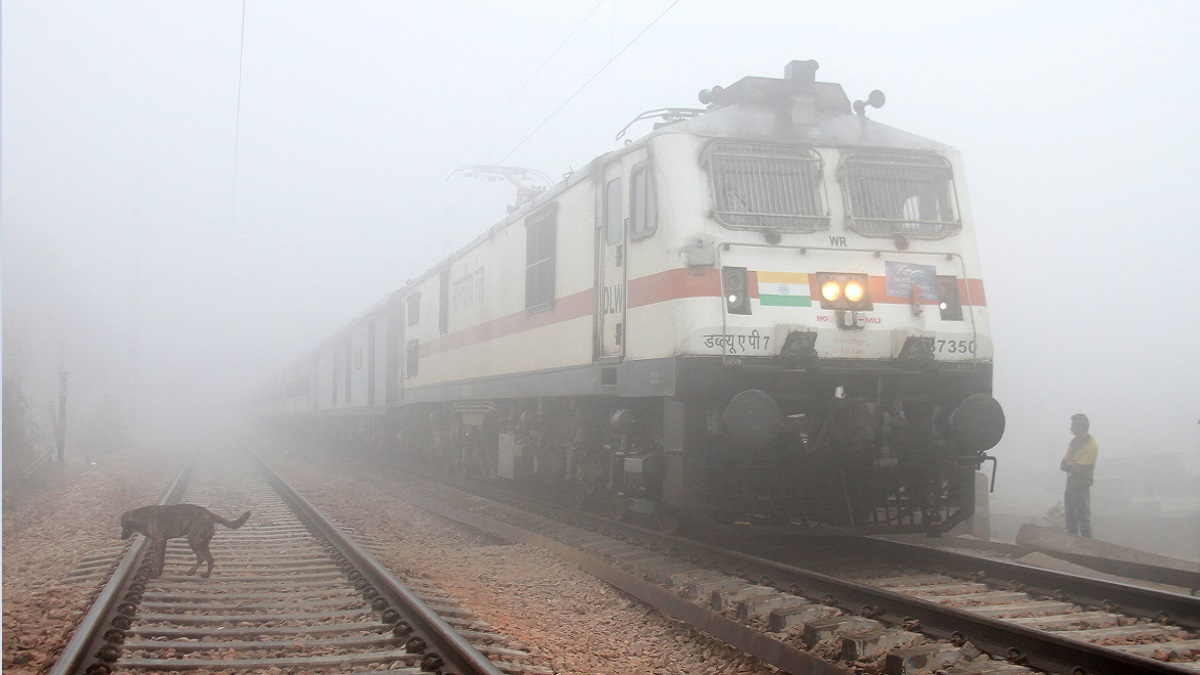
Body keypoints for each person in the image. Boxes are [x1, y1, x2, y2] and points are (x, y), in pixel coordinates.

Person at [1060, 413, 1098, 538]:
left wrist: (1070, 464)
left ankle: (1088, 548)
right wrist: (1071, 464)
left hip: (1081, 488)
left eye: (1073, 425)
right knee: (1070, 523)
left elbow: (1082, 470)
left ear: (1080, 426)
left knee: (1083, 523)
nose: (1071, 428)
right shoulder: (1073, 442)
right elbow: (1063, 465)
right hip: (1070, 486)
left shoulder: (1091, 445)